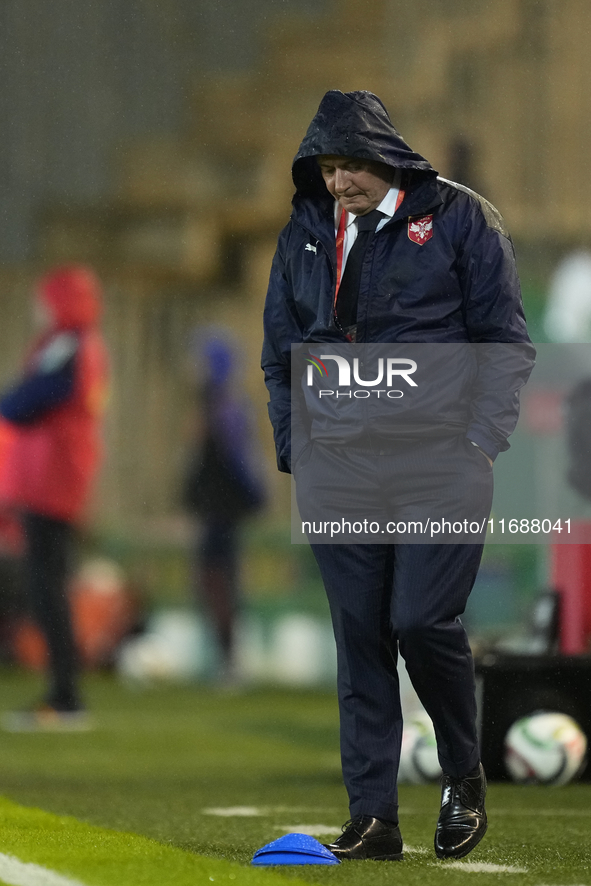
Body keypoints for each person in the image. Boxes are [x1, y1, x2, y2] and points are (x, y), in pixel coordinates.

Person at [261, 90, 535, 861]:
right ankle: (373, 815)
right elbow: (278, 351)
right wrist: (297, 447)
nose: (337, 181)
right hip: (336, 466)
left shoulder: (458, 218)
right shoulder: (305, 232)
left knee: (420, 621)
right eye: (326, 167)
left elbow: (503, 340)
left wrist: (479, 439)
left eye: (350, 165)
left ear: (386, 159)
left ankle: (462, 775)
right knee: (359, 638)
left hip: (437, 464)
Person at [0, 265, 109, 730]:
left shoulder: (68, 343)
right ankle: (63, 693)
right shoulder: (85, 345)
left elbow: (26, 401)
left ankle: (65, 696)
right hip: (61, 479)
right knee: (48, 587)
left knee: (48, 589)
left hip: (51, 481)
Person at [182, 330, 264, 685]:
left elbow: (235, 460)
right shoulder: (213, 403)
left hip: (222, 509)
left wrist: (252, 495)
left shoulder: (223, 406)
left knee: (217, 581)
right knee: (213, 580)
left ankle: (229, 662)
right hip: (216, 507)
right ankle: (226, 659)